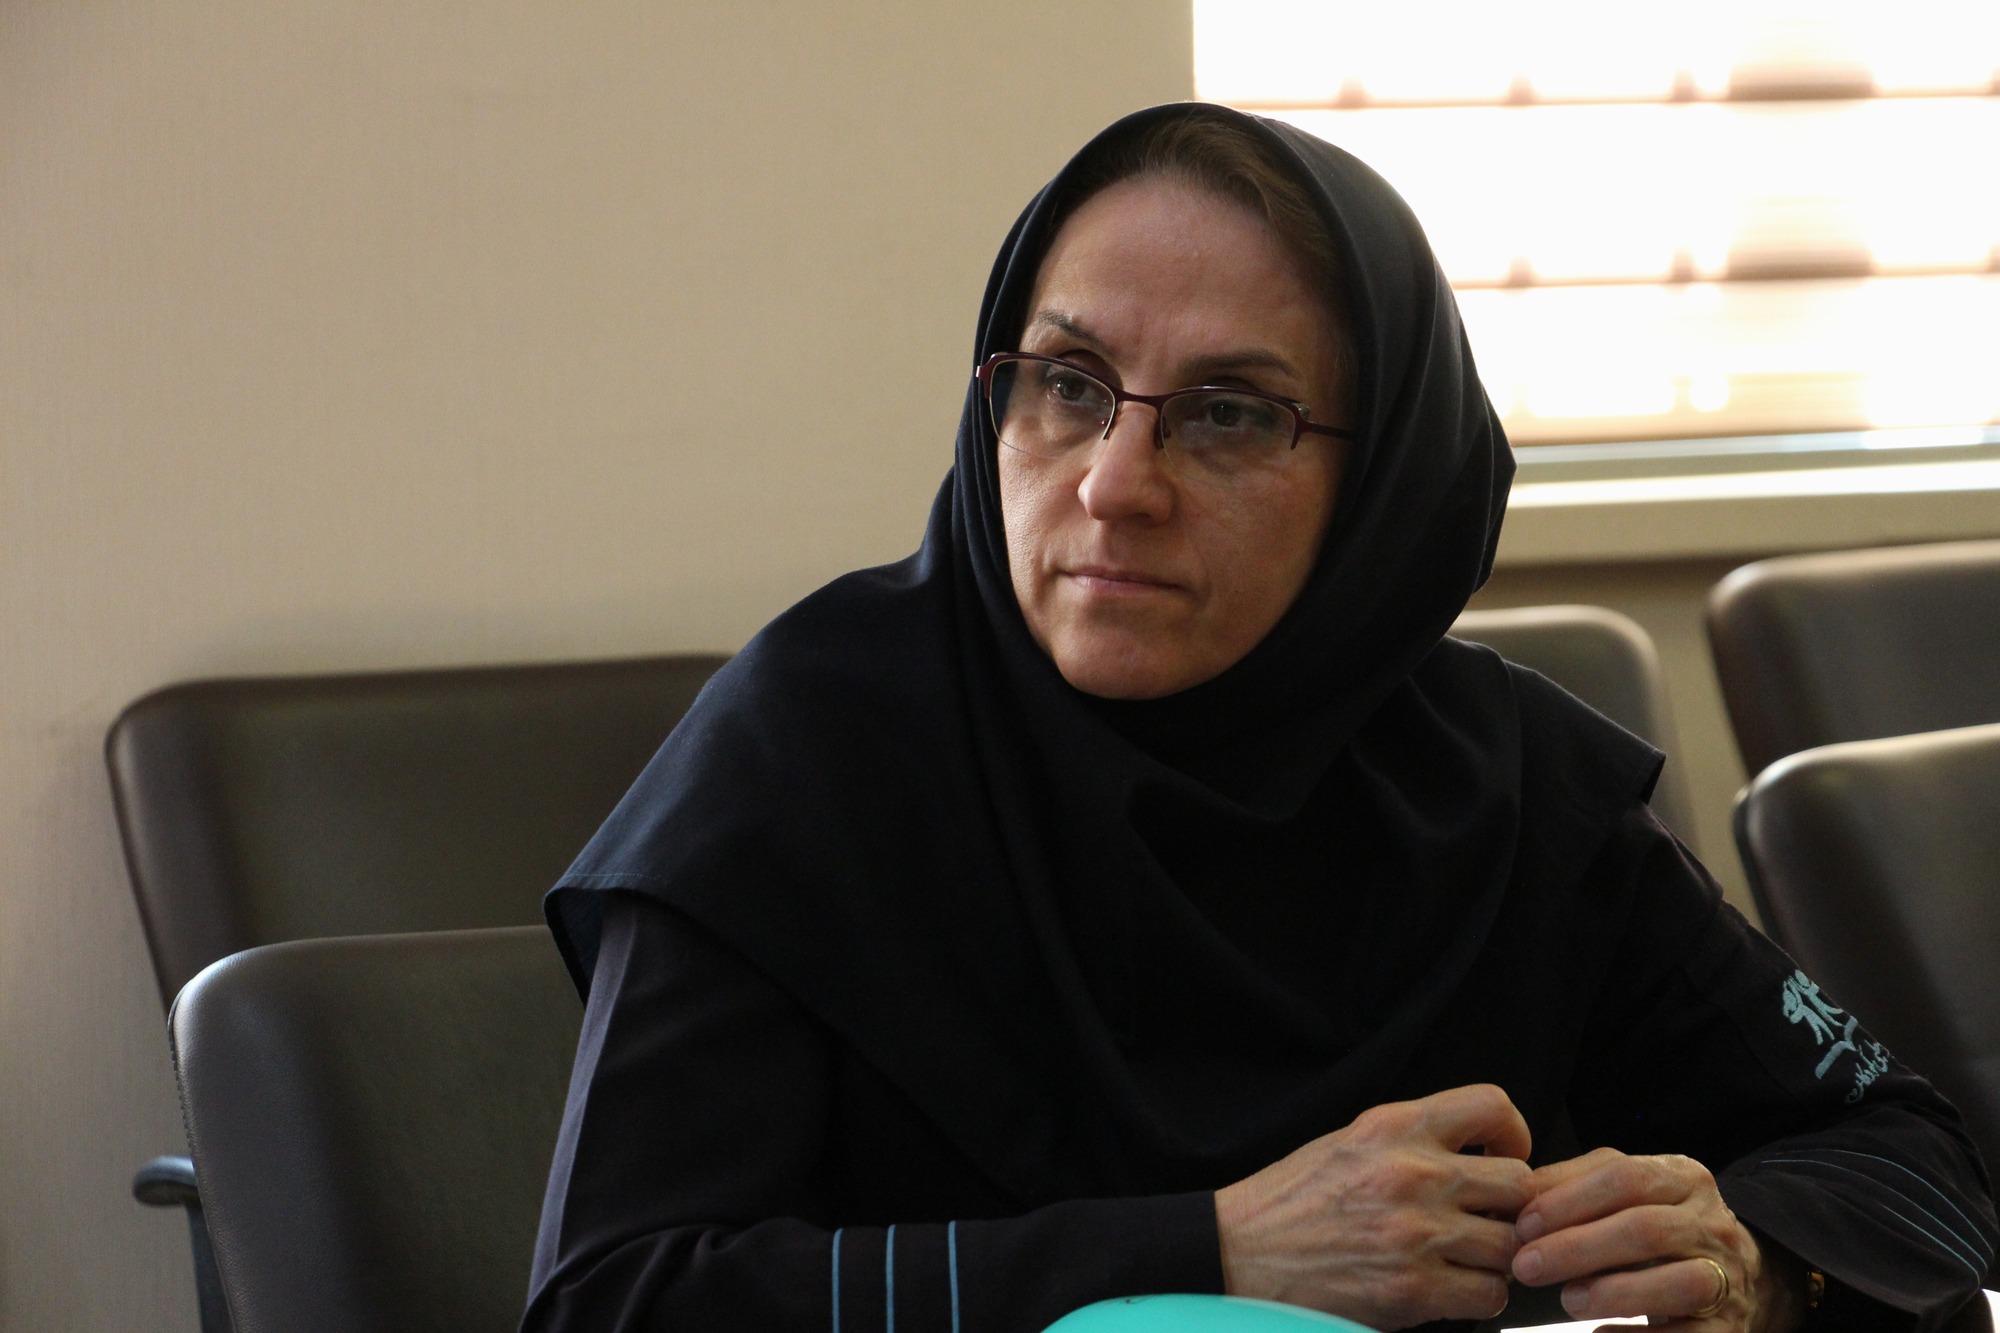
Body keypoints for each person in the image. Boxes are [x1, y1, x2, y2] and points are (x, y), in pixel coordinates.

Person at [521, 104, 1996, 1333]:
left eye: (1230, 412)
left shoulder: (1503, 788)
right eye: (1067, 384)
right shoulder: (807, 755)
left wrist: (1756, 1256)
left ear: (1384, 482)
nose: (1114, 482)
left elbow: (1912, 1154)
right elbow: (614, 1299)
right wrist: (1211, 1250)